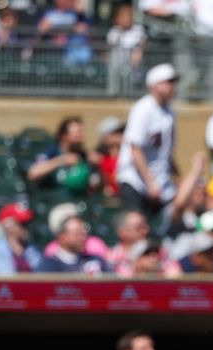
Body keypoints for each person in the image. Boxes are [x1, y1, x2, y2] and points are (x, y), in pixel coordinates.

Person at [117, 63, 179, 221]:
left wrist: (178, 177)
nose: (172, 86)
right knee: (137, 225)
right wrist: (150, 183)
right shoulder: (143, 108)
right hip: (136, 180)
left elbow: (166, 154)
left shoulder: (169, 112)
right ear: (154, 85)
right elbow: (135, 148)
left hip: (159, 182)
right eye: (168, 82)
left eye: (173, 82)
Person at [27, 116, 98, 193]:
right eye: (78, 132)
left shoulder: (84, 156)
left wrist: (98, 165)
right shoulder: (51, 152)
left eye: (82, 132)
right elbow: (33, 173)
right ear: (64, 136)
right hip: (52, 199)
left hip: (80, 200)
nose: (82, 136)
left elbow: (94, 185)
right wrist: (62, 160)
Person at [36, 215, 110, 274]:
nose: (82, 238)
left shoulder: (95, 261)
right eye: (77, 234)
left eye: (84, 234)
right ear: (62, 237)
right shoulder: (48, 266)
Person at [0, 202, 42, 274]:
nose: (27, 228)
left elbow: (41, 277)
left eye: (28, 223)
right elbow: (8, 281)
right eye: (22, 224)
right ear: (7, 225)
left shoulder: (33, 249)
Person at [95, 116, 126, 196]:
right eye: (116, 133)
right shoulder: (99, 159)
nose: (121, 135)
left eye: (122, 132)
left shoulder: (128, 156)